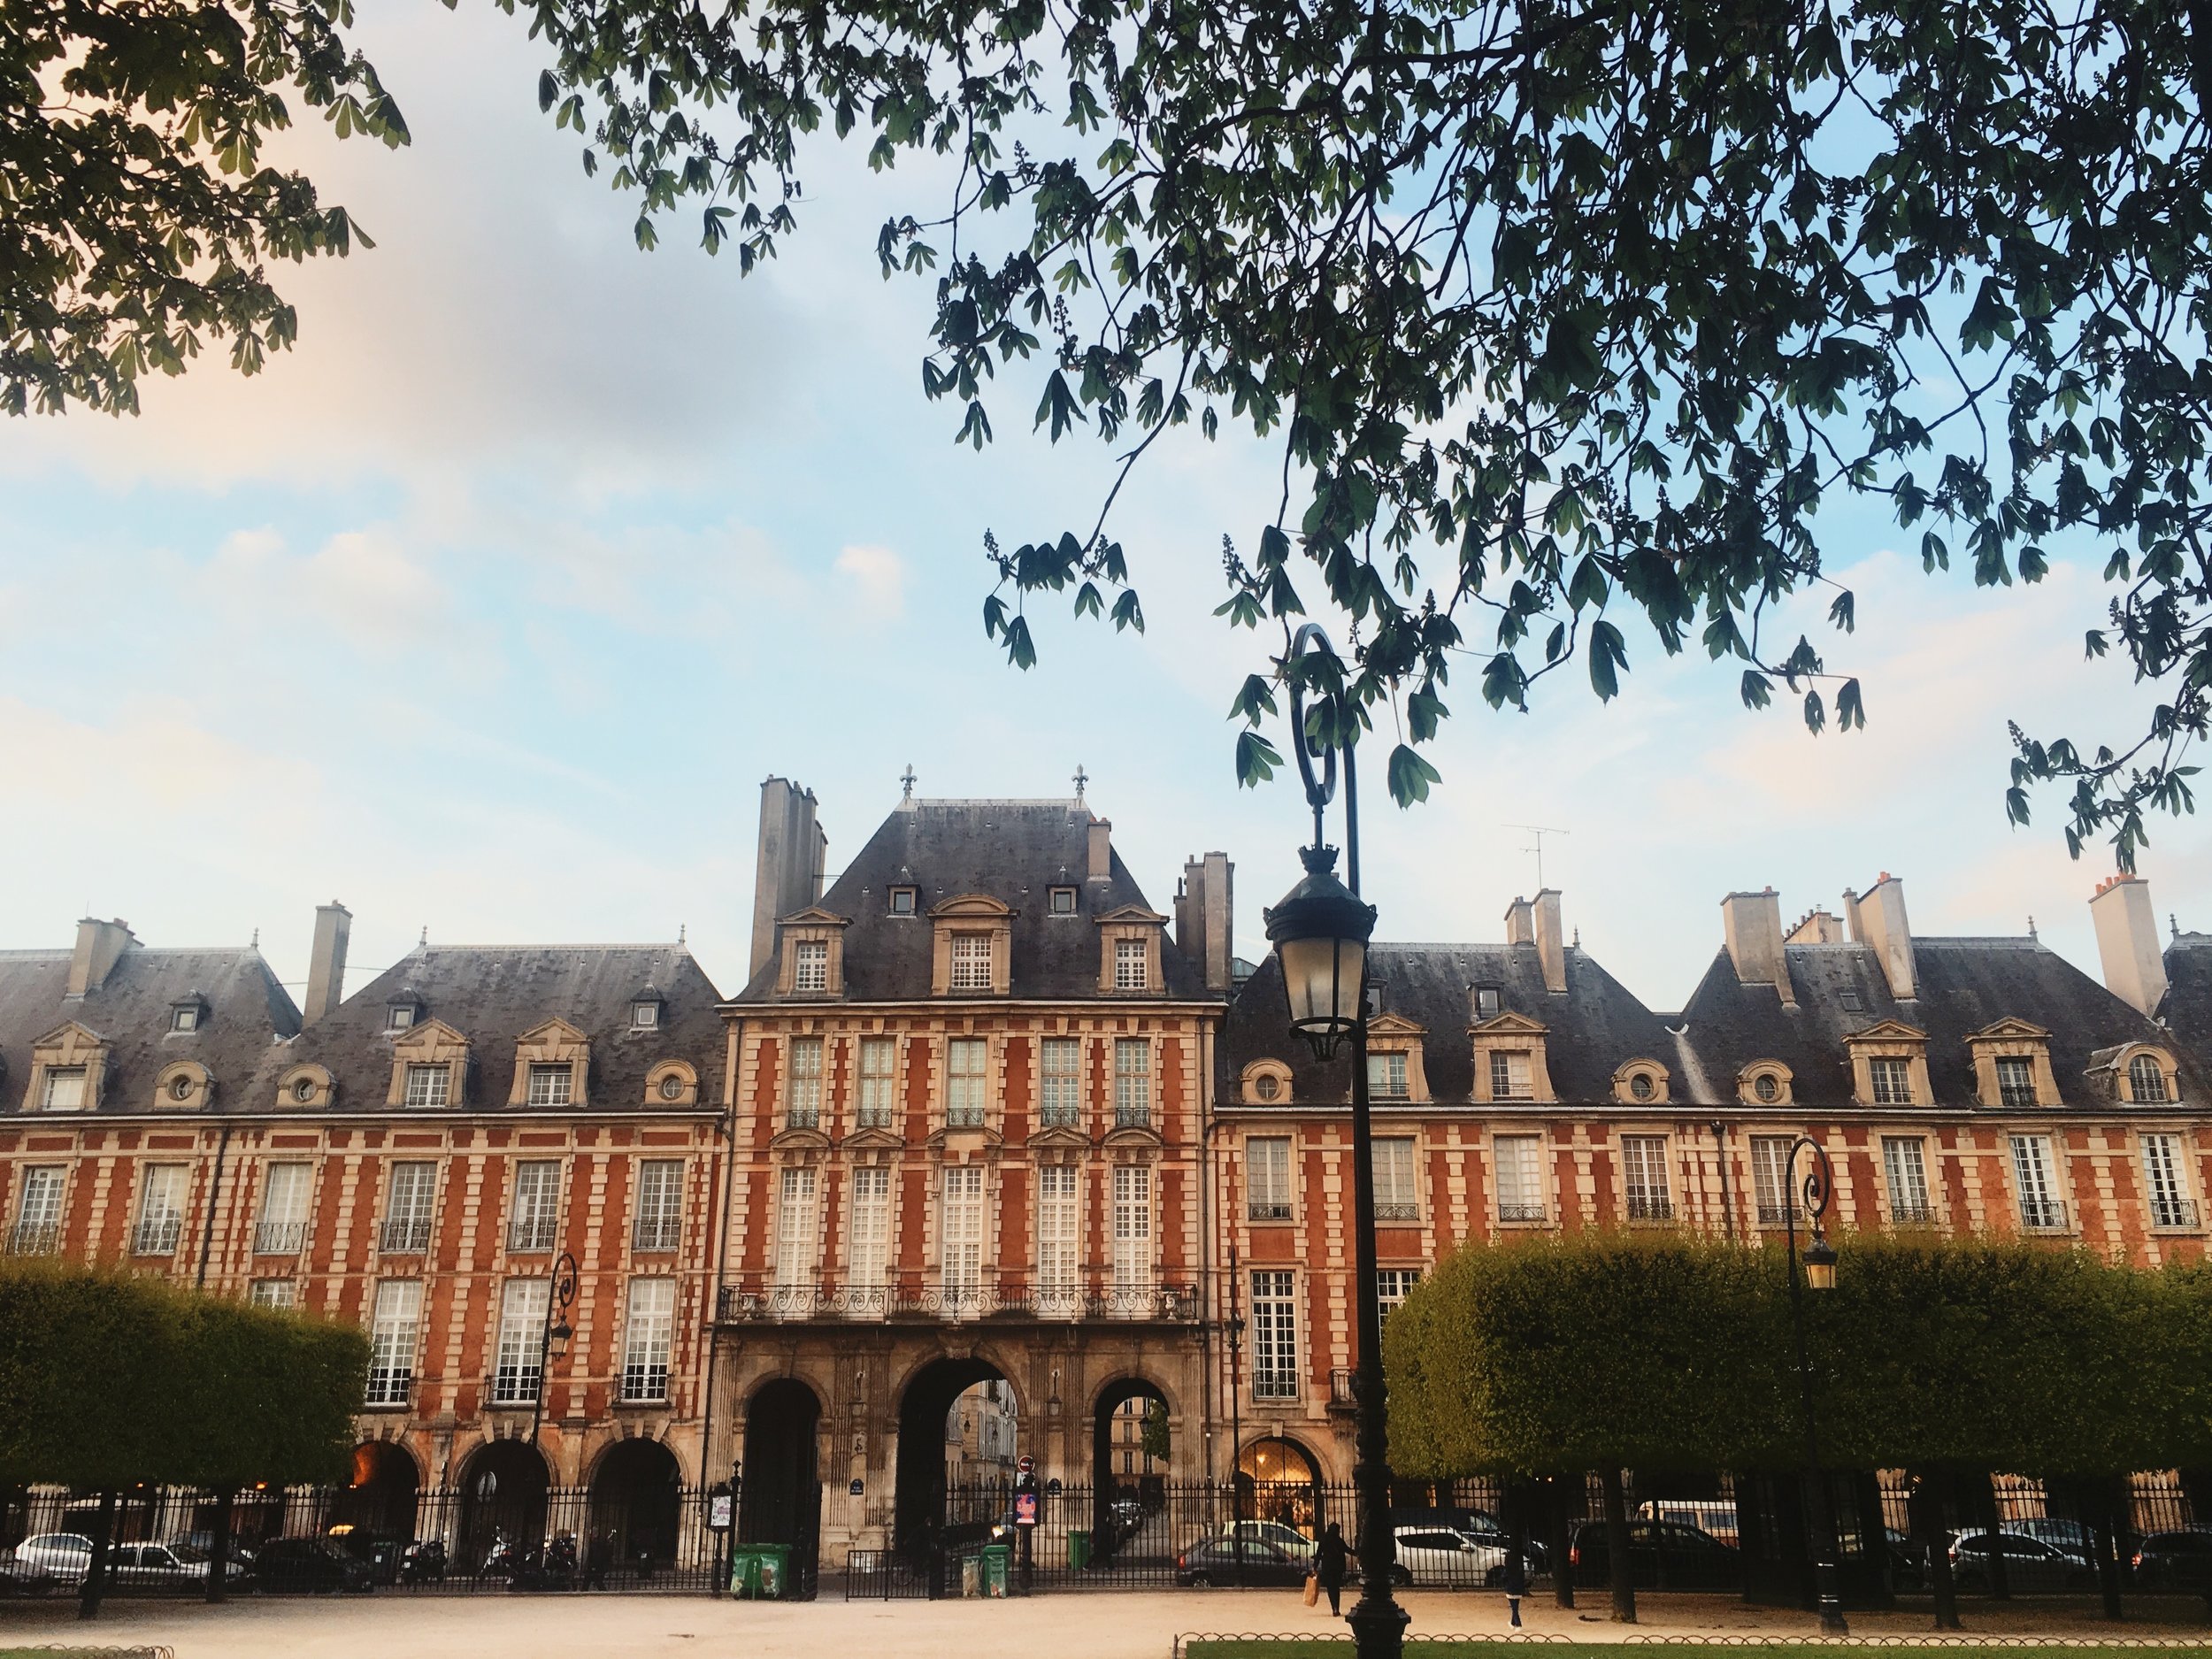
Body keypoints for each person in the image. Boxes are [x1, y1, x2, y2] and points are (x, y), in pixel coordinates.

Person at [1316, 1523, 1349, 1617]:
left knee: (1330, 1588)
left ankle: (1334, 1607)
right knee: (1336, 1588)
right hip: (1338, 1567)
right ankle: (1337, 1608)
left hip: (1327, 1567)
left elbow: (1318, 1554)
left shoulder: (1324, 1540)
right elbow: (1348, 1550)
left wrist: (1315, 1566)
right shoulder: (1339, 1541)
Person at [1502, 1546, 1526, 1628]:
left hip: (1510, 1589)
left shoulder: (1507, 1569)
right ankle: (1513, 1623)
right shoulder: (1518, 1569)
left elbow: (1503, 1578)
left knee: (1514, 1609)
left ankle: (1518, 1624)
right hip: (1518, 1590)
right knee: (1515, 1606)